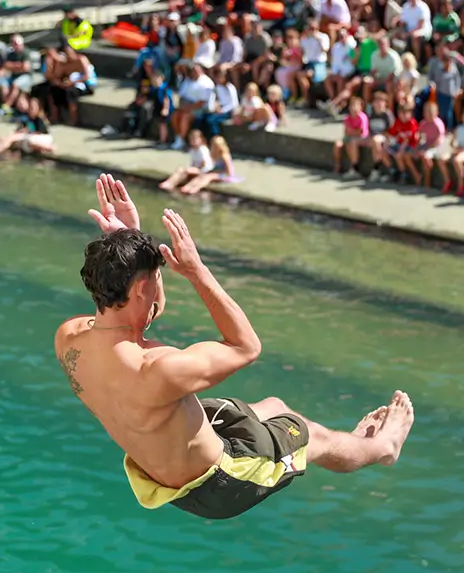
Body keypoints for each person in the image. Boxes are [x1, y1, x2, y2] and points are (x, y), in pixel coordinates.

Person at [54, 175, 415, 520]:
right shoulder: (160, 367)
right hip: (222, 483)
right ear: (139, 289)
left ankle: (336, 441)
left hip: (161, 470)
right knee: (311, 434)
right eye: (155, 279)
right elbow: (246, 347)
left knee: (274, 406)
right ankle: (381, 449)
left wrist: (128, 237)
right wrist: (197, 271)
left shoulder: (70, 337)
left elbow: (139, 312)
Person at [412, 101, 446, 188]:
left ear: (436, 113)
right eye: (426, 113)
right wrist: (416, 148)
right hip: (427, 144)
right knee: (412, 154)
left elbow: (438, 140)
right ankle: (419, 176)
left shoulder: (438, 124)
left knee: (425, 156)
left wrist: (426, 149)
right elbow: (420, 137)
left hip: (437, 146)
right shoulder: (423, 123)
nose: (428, 115)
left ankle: (427, 181)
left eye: (430, 113)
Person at [334, 96, 370, 178]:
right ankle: (338, 165)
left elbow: (361, 133)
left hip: (363, 138)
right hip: (350, 137)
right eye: (352, 105)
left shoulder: (363, 117)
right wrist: (353, 132)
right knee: (338, 144)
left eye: (356, 105)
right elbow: (346, 132)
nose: (353, 108)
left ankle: (354, 168)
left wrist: (352, 132)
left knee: (351, 142)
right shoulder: (347, 118)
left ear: (361, 107)